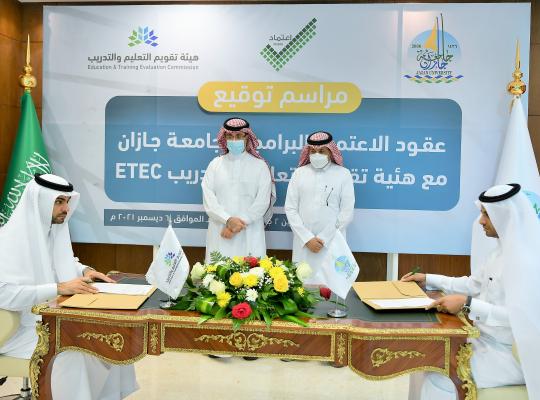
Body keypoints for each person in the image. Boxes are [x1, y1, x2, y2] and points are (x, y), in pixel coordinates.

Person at [0, 173, 138, 400]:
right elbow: (4, 295)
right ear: (40, 201)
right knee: (72, 352)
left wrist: (85, 271)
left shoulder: (51, 230)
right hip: (17, 330)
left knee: (114, 338)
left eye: (67, 201)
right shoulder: (7, 241)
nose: (66, 208)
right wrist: (59, 288)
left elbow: (62, 261)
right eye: (59, 202)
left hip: (52, 318)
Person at [403, 183, 540, 399]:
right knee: (426, 356)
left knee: (440, 377)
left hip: (513, 356)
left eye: (487, 214)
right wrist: (428, 278)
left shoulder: (527, 262)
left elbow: (521, 318)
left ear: (506, 216)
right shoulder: (499, 253)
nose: (481, 221)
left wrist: (468, 304)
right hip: (484, 341)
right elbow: (473, 284)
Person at [284, 131, 355, 283]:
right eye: (312, 151)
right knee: (303, 285)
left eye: (322, 151)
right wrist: (307, 238)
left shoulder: (343, 174)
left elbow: (346, 212)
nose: (317, 155)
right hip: (304, 244)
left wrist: (323, 238)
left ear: (330, 152)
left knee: (332, 286)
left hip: (332, 242)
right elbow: (290, 208)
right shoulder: (299, 174)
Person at [201, 117, 274, 262]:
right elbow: (209, 200)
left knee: (252, 274)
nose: (234, 140)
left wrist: (235, 225)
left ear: (247, 137)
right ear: (225, 138)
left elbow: (262, 202)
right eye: (230, 136)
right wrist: (227, 219)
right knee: (218, 273)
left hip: (249, 232)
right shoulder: (215, 165)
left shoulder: (260, 166)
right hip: (220, 231)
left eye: (239, 136)